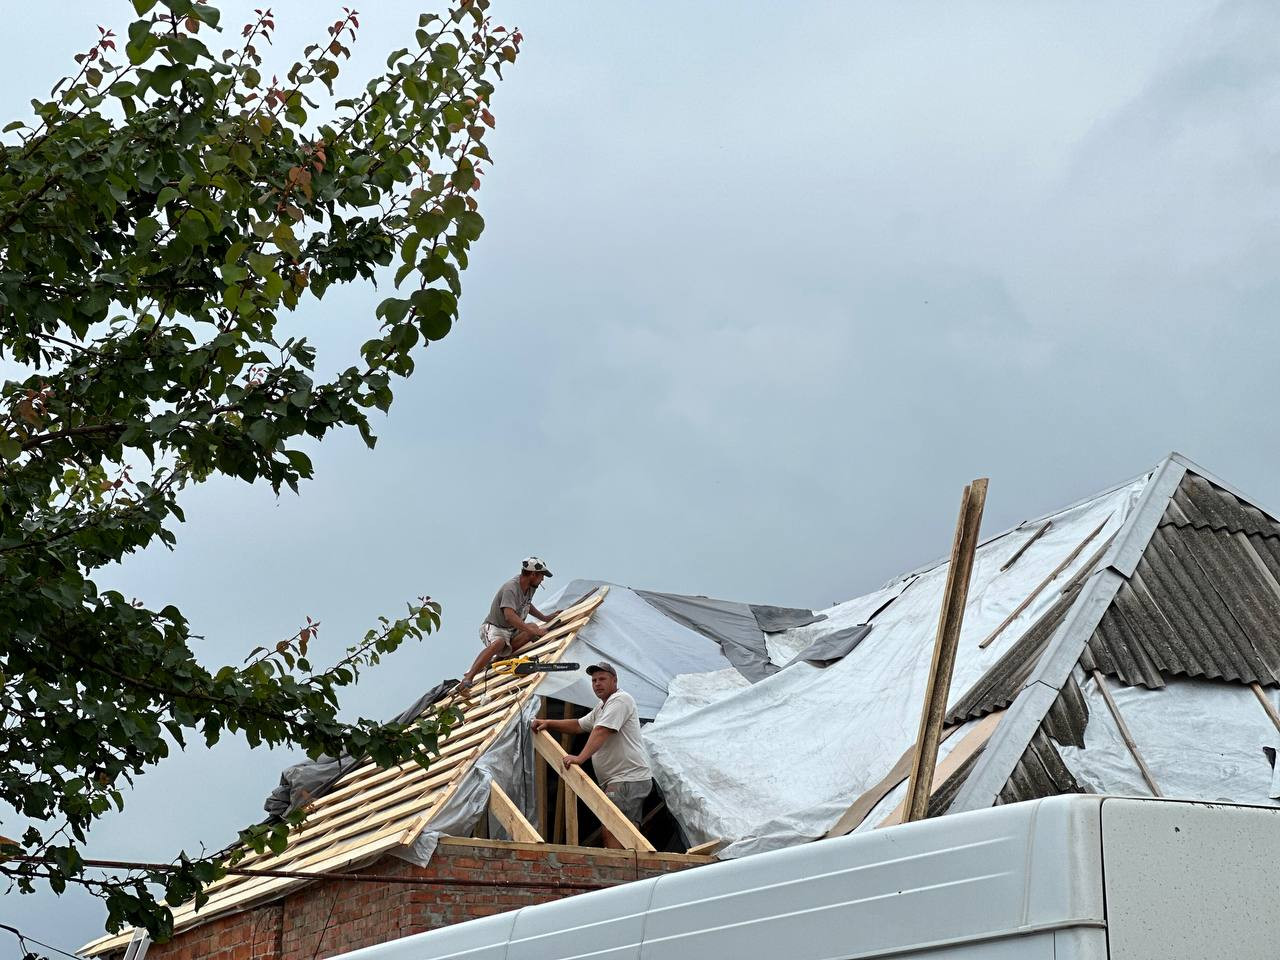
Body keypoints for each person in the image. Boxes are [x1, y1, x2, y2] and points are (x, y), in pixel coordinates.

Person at [531, 661, 653, 847]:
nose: (597, 683)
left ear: (614, 680)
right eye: (594, 680)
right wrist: (548, 722)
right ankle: (628, 867)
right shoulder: (601, 707)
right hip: (622, 779)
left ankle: (621, 870)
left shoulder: (620, 700)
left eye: (602, 679)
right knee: (624, 829)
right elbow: (579, 725)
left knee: (613, 826)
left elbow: (601, 731)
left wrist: (580, 758)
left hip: (627, 779)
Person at [460, 557, 558, 689]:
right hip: (495, 628)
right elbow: (509, 616)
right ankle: (468, 677)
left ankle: (501, 657)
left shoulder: (530, 587)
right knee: (500, 642)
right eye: (541, 576)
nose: (542, 580)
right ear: (533, 574)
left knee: (532, 627)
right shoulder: (511, 588)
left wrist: (545, 618)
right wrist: (534, 632)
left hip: (511, 630)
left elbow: (527, 605)